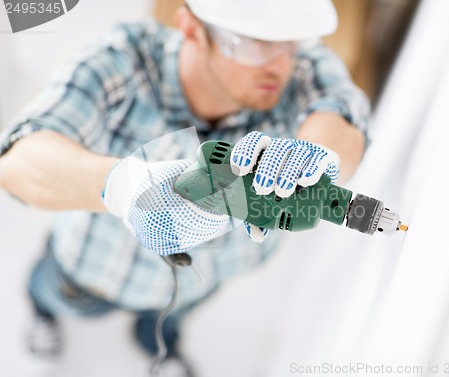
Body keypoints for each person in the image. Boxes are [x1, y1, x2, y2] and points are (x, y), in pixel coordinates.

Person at [0, 0, 369, 374]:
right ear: (192, 28)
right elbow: (17, 163)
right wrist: (125, 186)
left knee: (167, 321)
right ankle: (42, 311)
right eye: (255, 42)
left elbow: (339, 111)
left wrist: (319, 155)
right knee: (53, 293)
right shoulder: (121, 61)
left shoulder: (301, 65)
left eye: (291, 44)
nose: (280, 64)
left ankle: (159, 338)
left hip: (197, 283)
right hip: (93, 273)